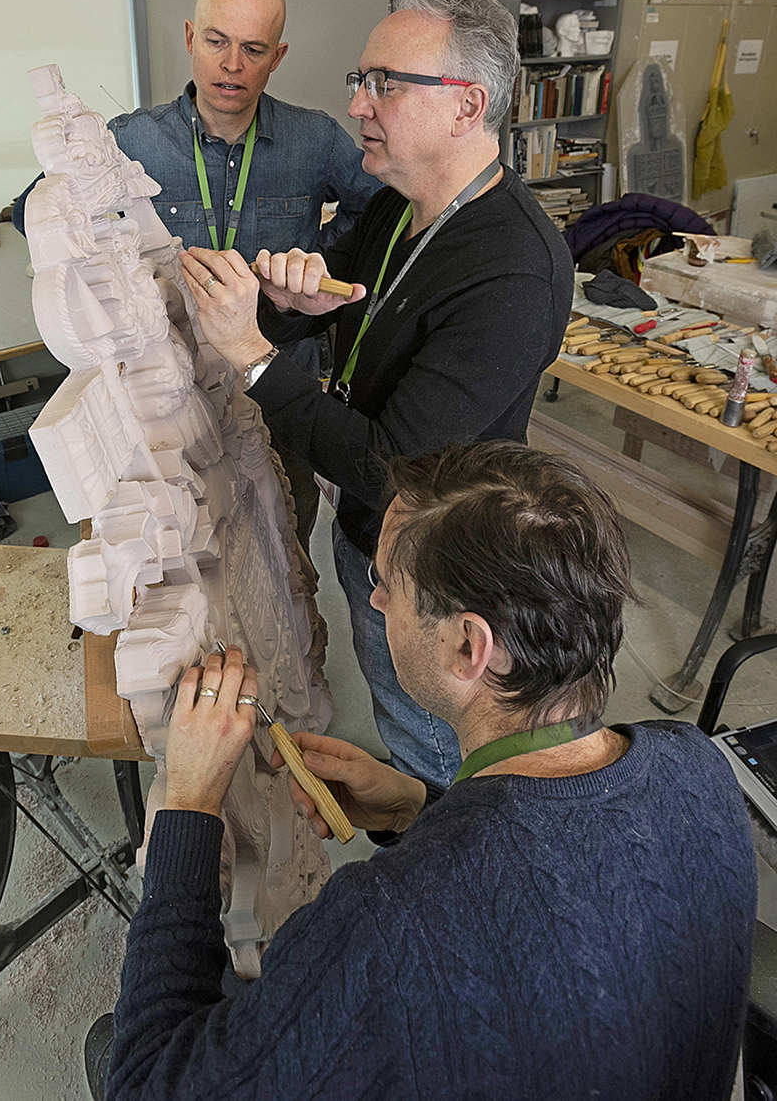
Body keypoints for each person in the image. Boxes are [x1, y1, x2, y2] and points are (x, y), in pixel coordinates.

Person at [105, 441, 757, 1101]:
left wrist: (188, 809)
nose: (375, 598)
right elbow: (557, 874)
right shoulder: (695, 763)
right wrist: (422, 810)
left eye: (389, 583)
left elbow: (145, 1085)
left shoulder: (383, 926)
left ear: (468, 645)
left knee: (114, 1040)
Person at [179, 0, 574, 788]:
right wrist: (288, 305)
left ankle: (436, 849)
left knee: (439, 750)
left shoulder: (514, 269)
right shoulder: (399, 206)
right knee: (394, 700)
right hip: (373, 539)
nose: (359, 104)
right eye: (362, 81)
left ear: (467, 106)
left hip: (447, 563)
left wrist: (253, 355)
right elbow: (334, 308)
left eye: (384, 85)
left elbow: (389, 462)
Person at [13, 0, 381, 552]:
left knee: (284, 548)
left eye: (253, 48)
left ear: (276, 56)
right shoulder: (130, 141)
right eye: (216, 41)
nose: (232, 64)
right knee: (187, 552)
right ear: (190, 37)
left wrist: (321, 265)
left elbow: (384, 211)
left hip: (276, 378)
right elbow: (33, 210)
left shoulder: (315, 140)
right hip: (169, 389)